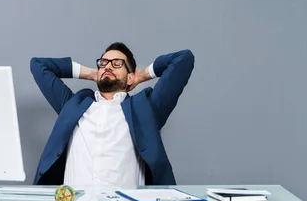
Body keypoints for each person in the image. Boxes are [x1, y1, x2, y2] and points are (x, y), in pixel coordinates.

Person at [29, 42, 195, 187]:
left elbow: (183, 59)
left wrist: (141, 75)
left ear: (130, 76)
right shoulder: (73, 105)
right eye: (103, 63)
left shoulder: (146, 109)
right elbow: (38, 65)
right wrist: (92, 73)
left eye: (117, 64)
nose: (107, 66)